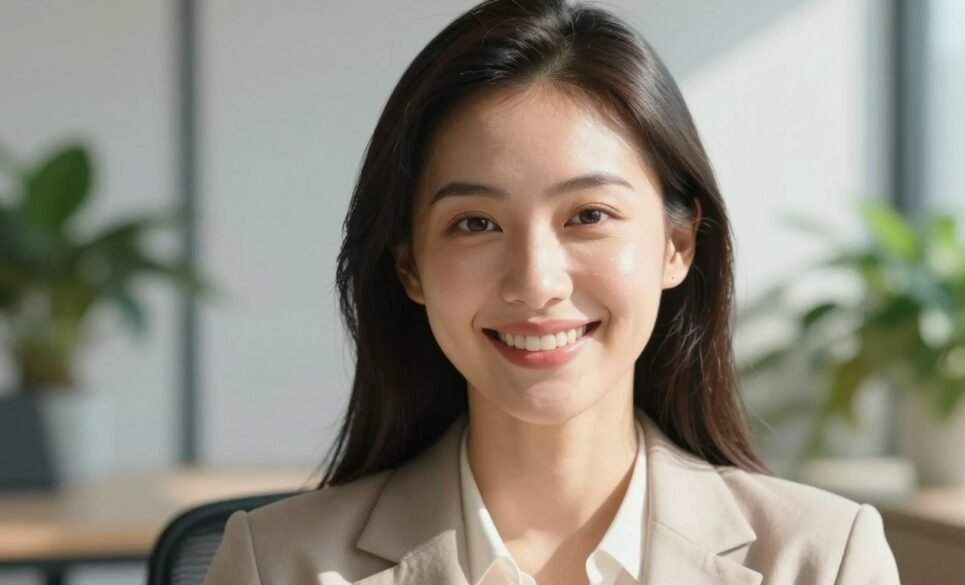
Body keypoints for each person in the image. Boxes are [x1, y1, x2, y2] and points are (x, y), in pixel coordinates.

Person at [203, 0, 901, 583]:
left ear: (677, 245)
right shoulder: (277, 564)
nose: (536, 281)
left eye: (588, 216)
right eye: (475, 223)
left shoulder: (822, 560)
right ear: (410, 267)